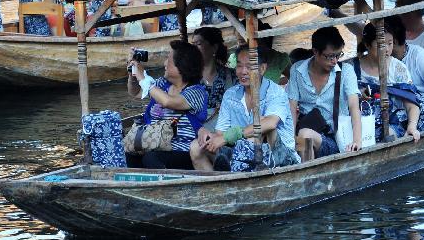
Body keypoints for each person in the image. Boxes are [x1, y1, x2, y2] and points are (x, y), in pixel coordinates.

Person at [191, 44, 300, 171]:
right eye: (239, 65)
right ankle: (221, 186)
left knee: (260, 126)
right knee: (196, 147)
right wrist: (207, 134)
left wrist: (229, 136)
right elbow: (221, 133)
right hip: (241, 152)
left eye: (249, 67)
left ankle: (235, 169)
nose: (243, 71)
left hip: (281, 157)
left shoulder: (275, 92)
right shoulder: (230, 94)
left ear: (262, 68)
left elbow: (270, 123)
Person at [127, 41, 208, 169]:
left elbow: (168, 102)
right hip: (151, 144)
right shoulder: (161, 84)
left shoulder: (196, 92)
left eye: (168, 60)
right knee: (129, 155)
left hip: (182, 151)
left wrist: (143, 78)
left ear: (181, 67)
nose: (165, 63)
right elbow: (136, 92)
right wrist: (133, 74)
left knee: (151, 158)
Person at [287, 26, 362, 160]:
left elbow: (354, 106)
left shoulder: (346, 72)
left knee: (305, 135)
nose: (335, 61)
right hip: (305, 131)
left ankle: (306, 175)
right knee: (301, 136)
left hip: (337, 139)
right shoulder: (297, 70)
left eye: (338, 55)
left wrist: (357, 141)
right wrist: (290, 140)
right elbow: (291, 108)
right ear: (315, 52)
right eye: (330, 56)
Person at [355, 22, 421, 142]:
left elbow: (411, 103)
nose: (386, 49)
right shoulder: (352, 68)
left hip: (393, 124)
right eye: (380, 44)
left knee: (388, 134)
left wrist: (412, 126)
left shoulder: (398, 69)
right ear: (367, 45)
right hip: (359, 125)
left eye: (390, 44)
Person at [226, 21, 292, 85]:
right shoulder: (234, 59)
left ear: (259, 38)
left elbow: (293, 79)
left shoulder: (279, 58)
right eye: (238, 42)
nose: (240, 47)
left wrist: (272, 85)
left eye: (242, 42)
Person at [191, 27, 236, 115]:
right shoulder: (188, 77)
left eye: (198, 44)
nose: (194, 49)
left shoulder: (232, 76)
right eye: (193, 45)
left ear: (214, 47)